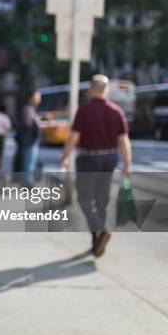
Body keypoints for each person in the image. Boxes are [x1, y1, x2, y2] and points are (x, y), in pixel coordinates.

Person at [59, 74, 132, 257]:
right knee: (102, 200)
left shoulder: (84, 110)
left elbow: (74, 137)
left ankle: (99, 230)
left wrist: (65, 157)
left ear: (91, 89)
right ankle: (97, 242)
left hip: (88, 159)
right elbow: (123, 141)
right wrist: (127, 164)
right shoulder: (116, 111)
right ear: (106, 91)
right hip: (110, 158)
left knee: (84, 199)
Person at [19, 90, 41, 186]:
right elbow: (28, 124)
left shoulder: (32, 109)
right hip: (30, 140)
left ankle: (27, 182)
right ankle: (28, 182)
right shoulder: (28, 109)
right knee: (29, 162)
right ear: (31, 98)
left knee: (29, 161)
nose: (39, 100)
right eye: (37, 97)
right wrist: (36, 120)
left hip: (31, 140)